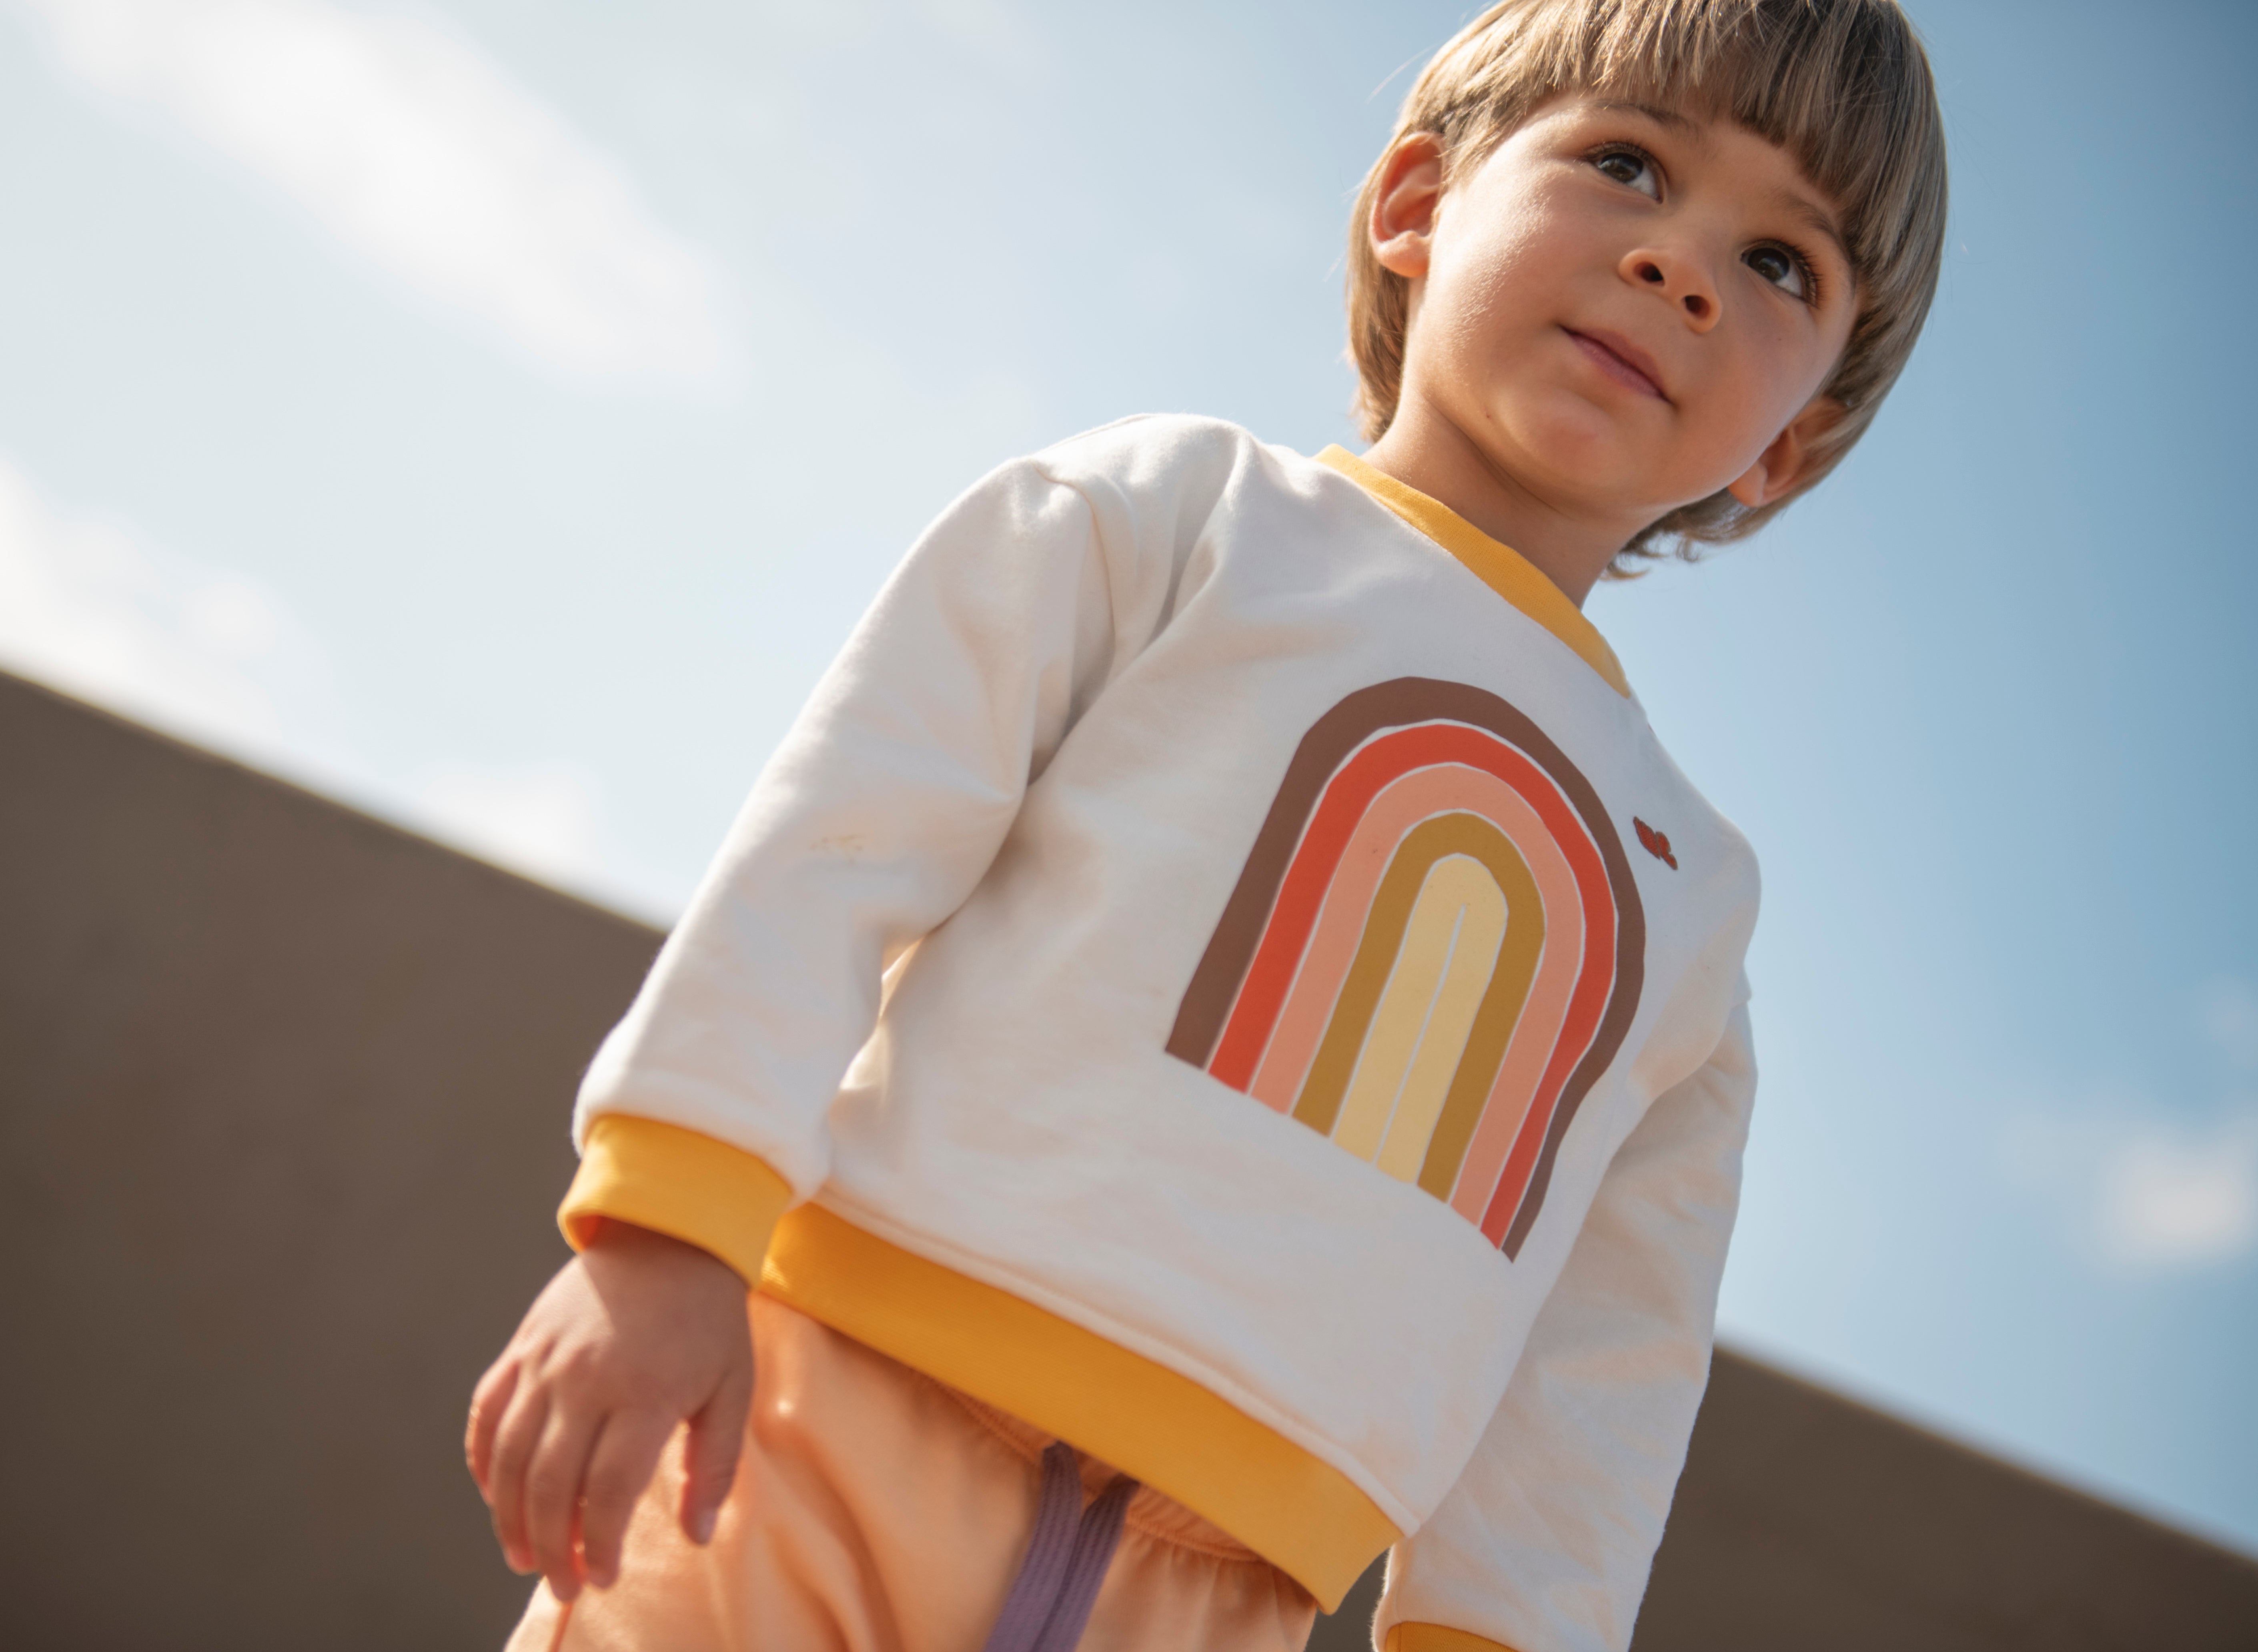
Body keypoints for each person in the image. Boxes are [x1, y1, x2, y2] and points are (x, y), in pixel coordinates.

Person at [466, 2, 1948, 1647]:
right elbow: (841, 844)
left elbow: (1611, 1352)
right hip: (815, 1435)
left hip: (1225, 1593)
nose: (1685, 267)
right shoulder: (1175, 518)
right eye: (1625, 163)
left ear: (1792, 447)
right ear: (1417, 202)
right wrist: (667, 1224)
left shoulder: (1697, 903)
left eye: (1781, 267)